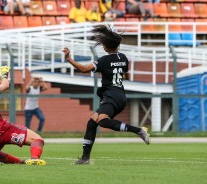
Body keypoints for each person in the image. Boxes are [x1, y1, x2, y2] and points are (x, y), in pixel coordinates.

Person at [62, 24, 150, 164]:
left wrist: (68, 58)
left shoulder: (104, 60)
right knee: (92, 123)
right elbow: (125, 73)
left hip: (111, 95)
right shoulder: (123, 58)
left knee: (102, 121)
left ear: (106, 47)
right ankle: (85, 159)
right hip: (120, 94)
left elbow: (84, 69)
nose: (102, 46)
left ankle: (138, 130)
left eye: (103, 44)